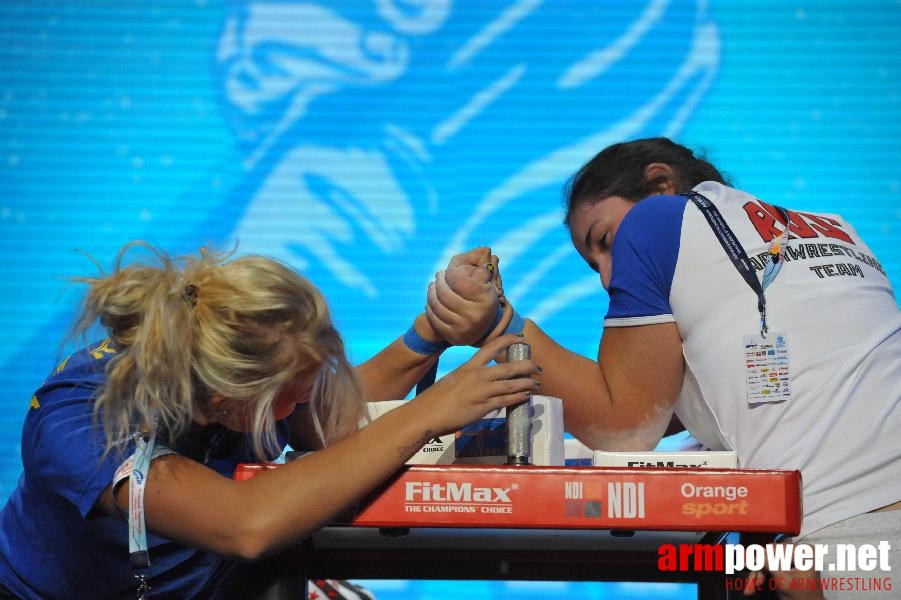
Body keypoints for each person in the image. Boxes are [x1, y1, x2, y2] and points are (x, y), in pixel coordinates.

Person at [425, 137, 901, 598]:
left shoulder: (656, 220)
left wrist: (498, 325)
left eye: (607, 241)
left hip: (852, 539)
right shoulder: (835, 228)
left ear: (660, 185)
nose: (609, 275)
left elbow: (626, 426)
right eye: (594, 267)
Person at [0, 241, 538, 599]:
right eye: (285, 399)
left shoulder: (238, 376)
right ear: (223, 393)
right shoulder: (80, 418)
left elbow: (331, 421)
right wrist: (424, 415)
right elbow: (245, 524)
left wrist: (431, 334)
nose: (295, 412)